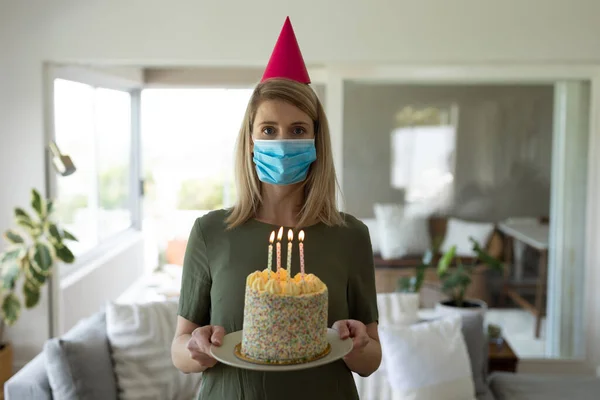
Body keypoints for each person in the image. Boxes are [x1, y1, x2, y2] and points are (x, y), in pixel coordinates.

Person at [171, 17, 381, 400]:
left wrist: (360, 343)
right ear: (250, 140)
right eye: (269, 129)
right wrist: (196, 348)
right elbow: (180, 348)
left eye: (298, 130)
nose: (283, 141)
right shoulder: (210, 232)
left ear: (317, 140)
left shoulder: (350, 235)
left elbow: (370, 361)